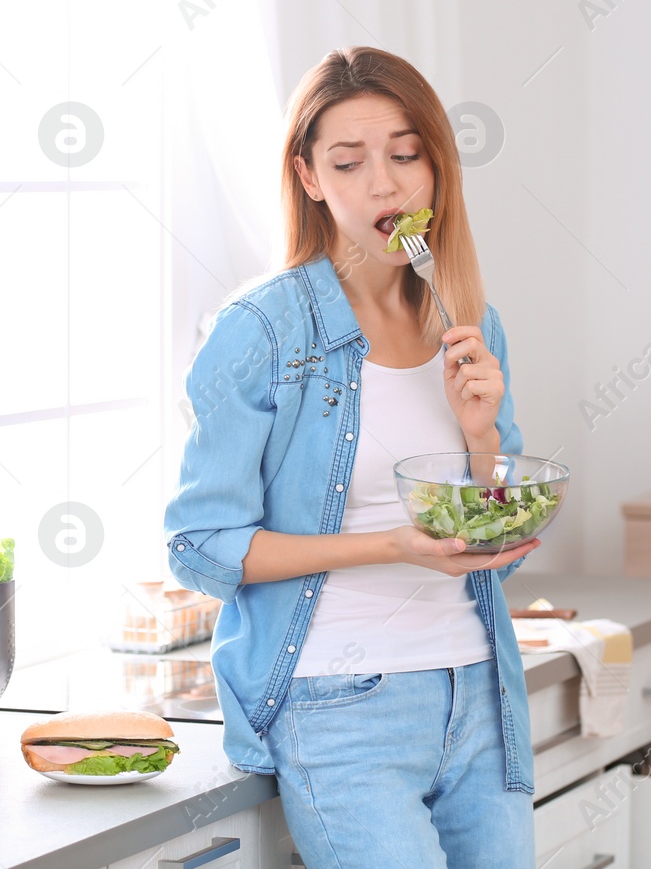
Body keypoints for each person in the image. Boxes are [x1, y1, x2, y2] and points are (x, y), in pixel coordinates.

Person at [164, 46, 540, 868]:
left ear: (436, 168)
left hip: (480, 691)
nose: (386, 184)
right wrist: (391, 546)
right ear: (308, 177)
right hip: (339, 702)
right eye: (349, 160)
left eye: (407, 155)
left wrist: (482, 439)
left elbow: (496, 556)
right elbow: (200, 545)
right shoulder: (261, 332)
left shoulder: (472, 321)